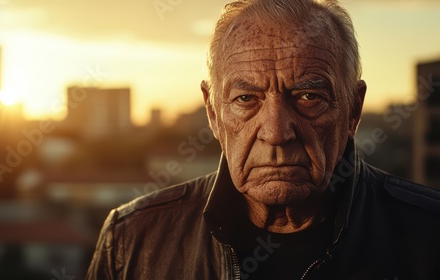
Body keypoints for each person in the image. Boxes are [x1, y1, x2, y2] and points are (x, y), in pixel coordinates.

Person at [86, 0, 440, 279]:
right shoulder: (131, 241)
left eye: (308, 97)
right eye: (246, 99)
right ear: (212, 112)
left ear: (353, 109)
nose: (275, 132)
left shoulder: (430, 234)